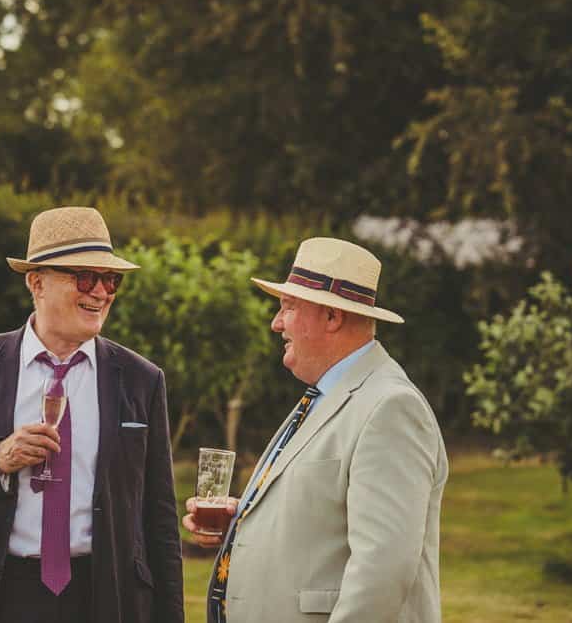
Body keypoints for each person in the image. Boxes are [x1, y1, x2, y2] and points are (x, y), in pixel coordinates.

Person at [0, 206, 183, 623]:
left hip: (107, 595)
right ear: (37, 282)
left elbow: (160, 518)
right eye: (84, 277)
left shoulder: (142, 379)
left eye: (111, 280)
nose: (101, 292)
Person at [184, 237, 449, 623]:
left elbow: (382, 572)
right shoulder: (328, 394)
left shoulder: (391, 407)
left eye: (288, 307)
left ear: (331, 317)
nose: (276, 323)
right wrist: (244, 521)